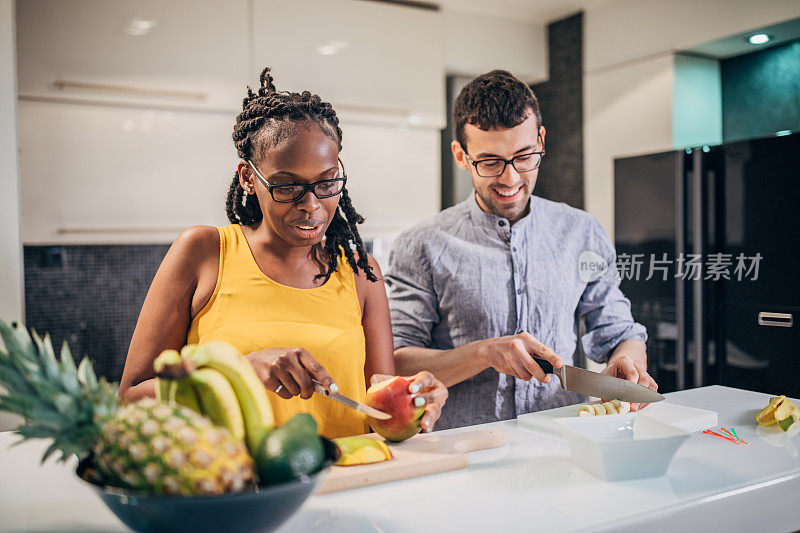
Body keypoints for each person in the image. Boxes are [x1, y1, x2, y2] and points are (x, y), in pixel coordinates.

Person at [119, 67, 447, 439]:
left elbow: (380, 412)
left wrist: (416, 399)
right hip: (235, 486)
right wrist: (238, 371)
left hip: (352, 485)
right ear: (247, 177)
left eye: (326, 182)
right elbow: (132, 398)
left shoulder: (360, 272)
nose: (311, 205)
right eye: (287, 186)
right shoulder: (205, 252)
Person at [385, 70, 656, 430]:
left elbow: (618, 329)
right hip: (466, 453)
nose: (510, 178)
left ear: (541, 139)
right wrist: (482, 353)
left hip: (563, 443)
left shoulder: (581, 232)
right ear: (461, 156)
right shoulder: (421, 245)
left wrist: (628, 361)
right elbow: (397, 363)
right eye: (490, 162)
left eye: (525, 156)